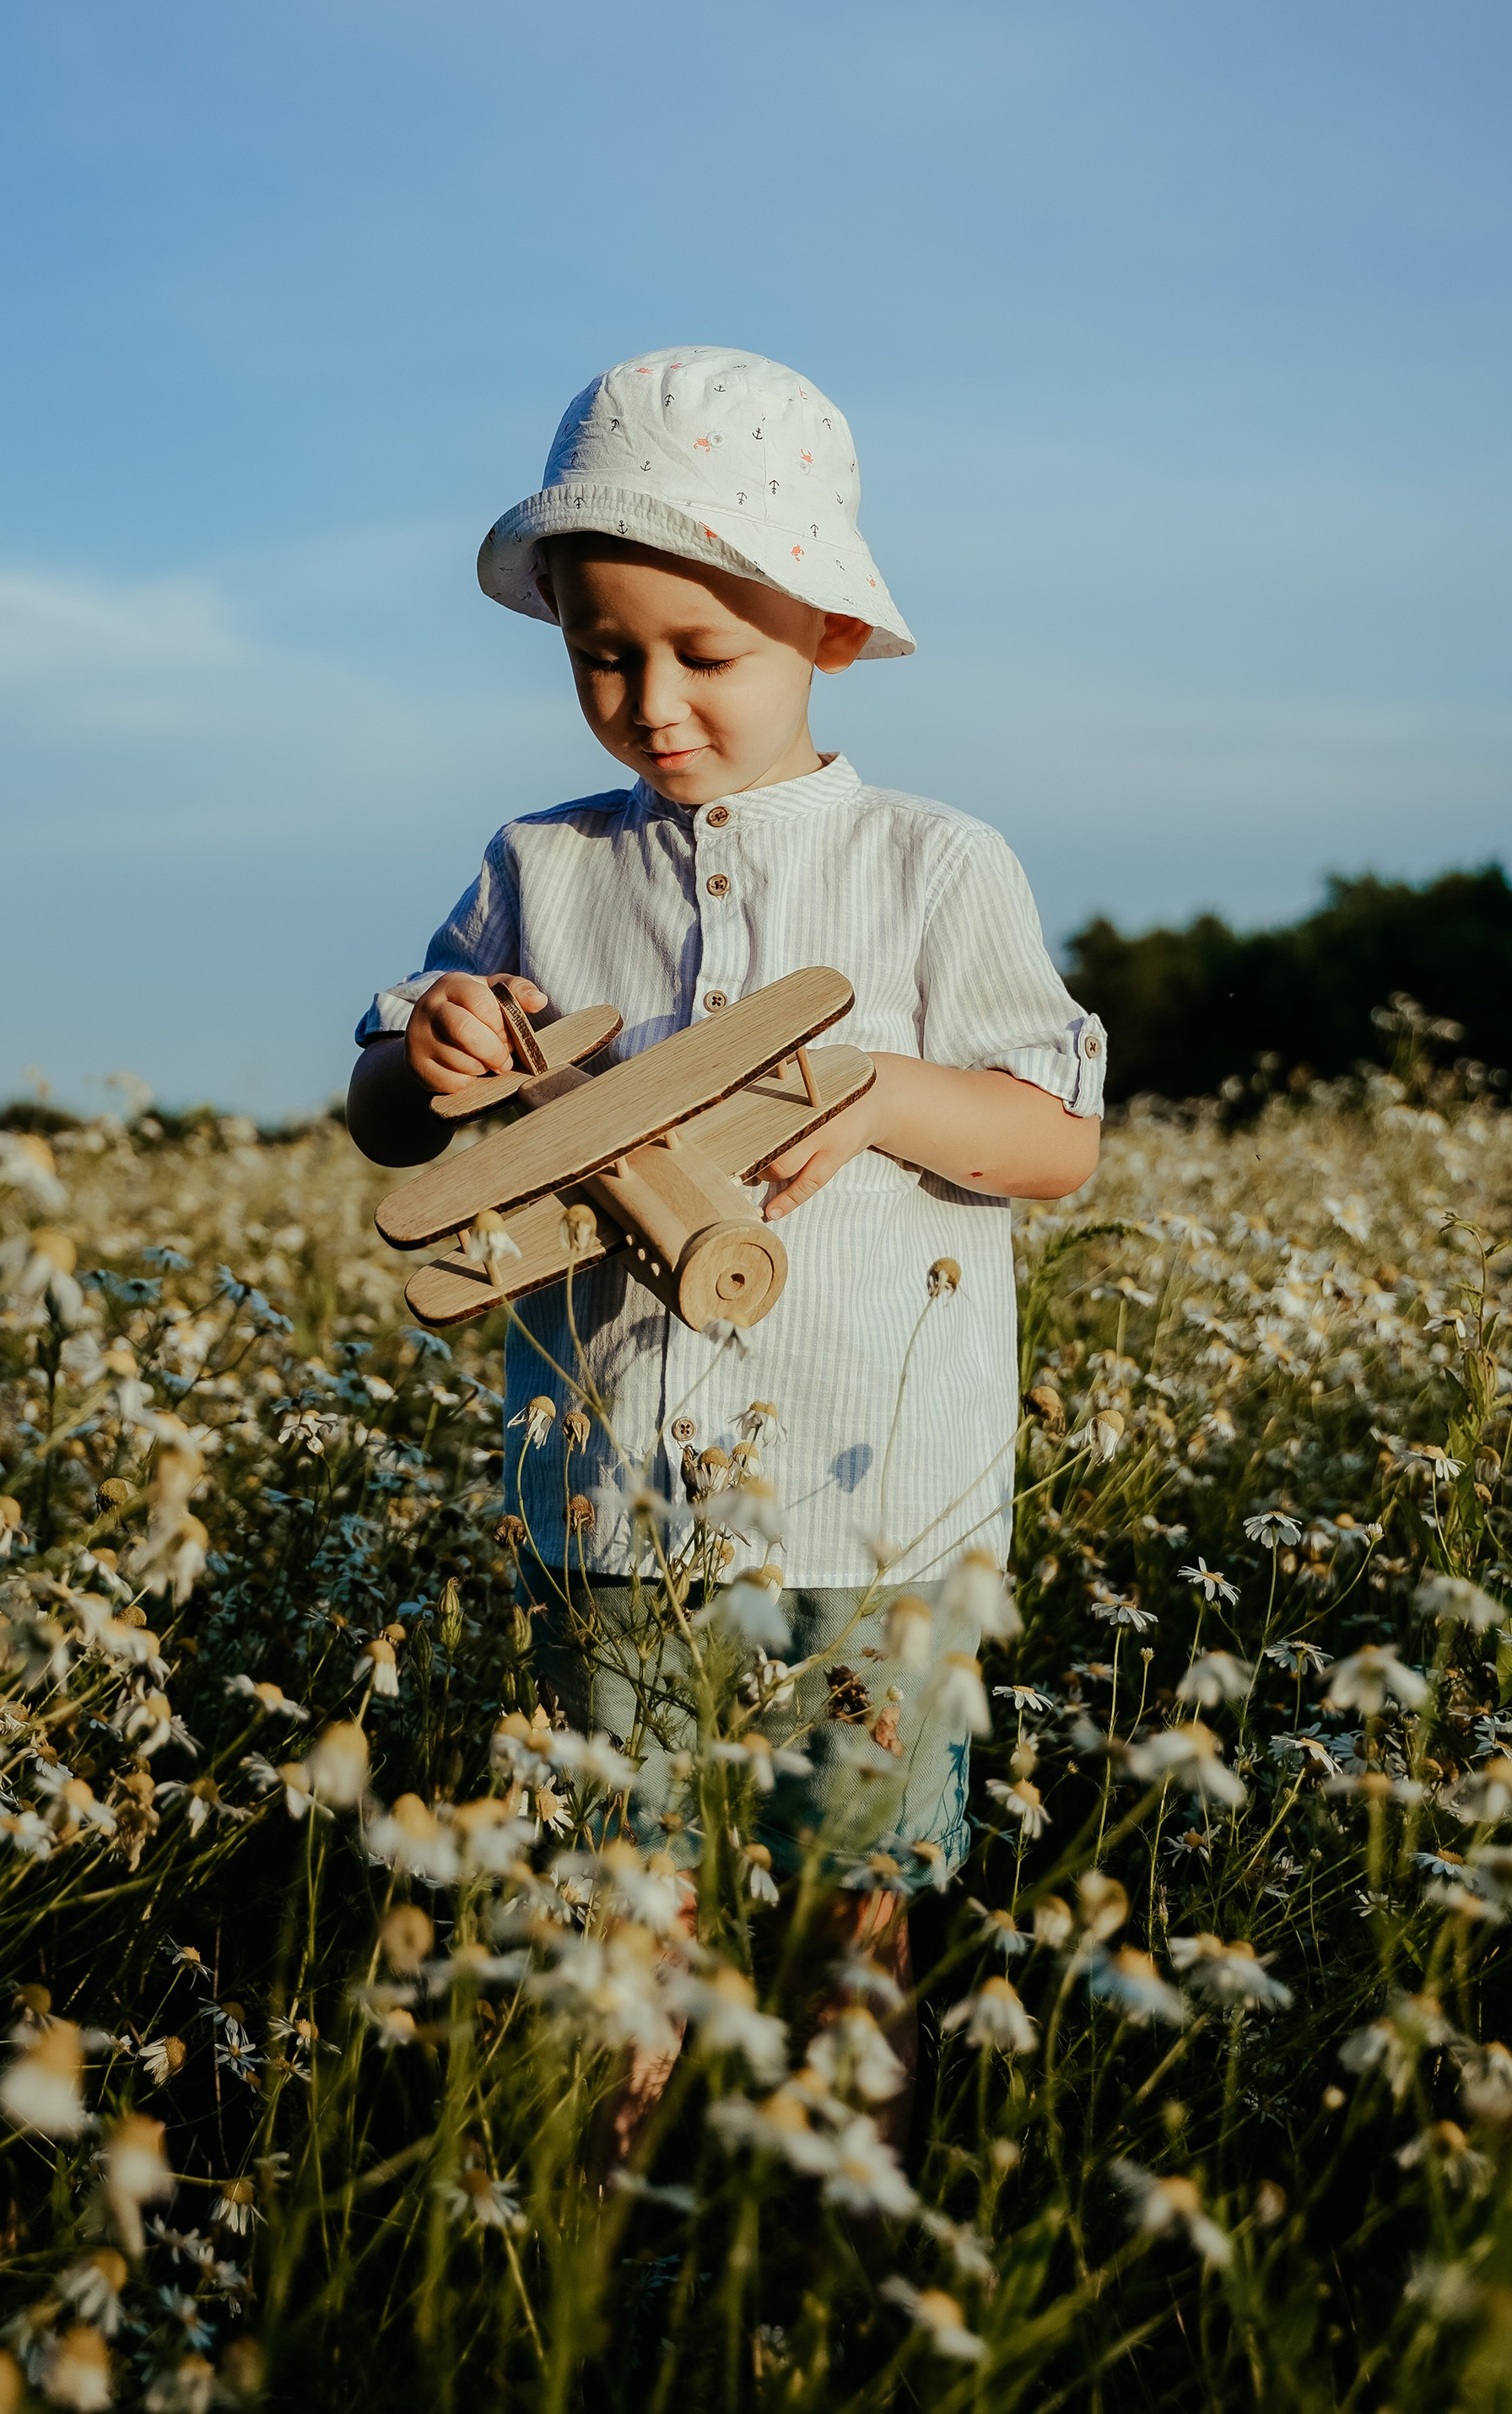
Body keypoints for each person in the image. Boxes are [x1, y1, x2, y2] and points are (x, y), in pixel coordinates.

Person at [346, 345, 1104, 2050]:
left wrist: (884, 1091)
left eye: (706, 653)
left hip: (882, 1515)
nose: (650, 701)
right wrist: (437, 1051)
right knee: (625, 1901)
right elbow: (393, 1128)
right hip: (617, 1505)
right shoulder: (536, 868)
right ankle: (623, 2254)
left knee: (859, 1895)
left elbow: (1054, 1139)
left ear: (827, 634)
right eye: (602, 656)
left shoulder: (933, 865)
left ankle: (839, 2244)